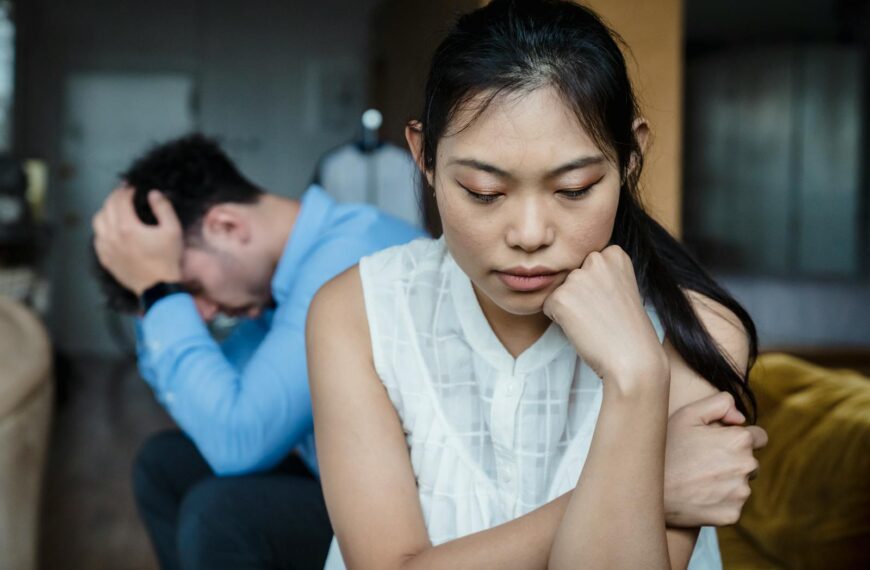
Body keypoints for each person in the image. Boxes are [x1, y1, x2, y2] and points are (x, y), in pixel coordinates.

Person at [307, 1, 767, 569]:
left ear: (630, 156)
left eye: (574, 188)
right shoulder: (359, 312)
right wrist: (653, 487)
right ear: (423, 157)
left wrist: (636, 376)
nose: (529, 234)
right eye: (483, 191)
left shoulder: (698, 330)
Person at [91, 134, 423, 569]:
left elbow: (238, 440)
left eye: (190, 288)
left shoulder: (347, 255)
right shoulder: (270, 289)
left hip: (406, 510)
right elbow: (208, 413)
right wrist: (148, 300)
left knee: (221, 514)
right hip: (341, 478)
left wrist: (159, 292)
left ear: (227, 226)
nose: (202, 314)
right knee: (163, 464)